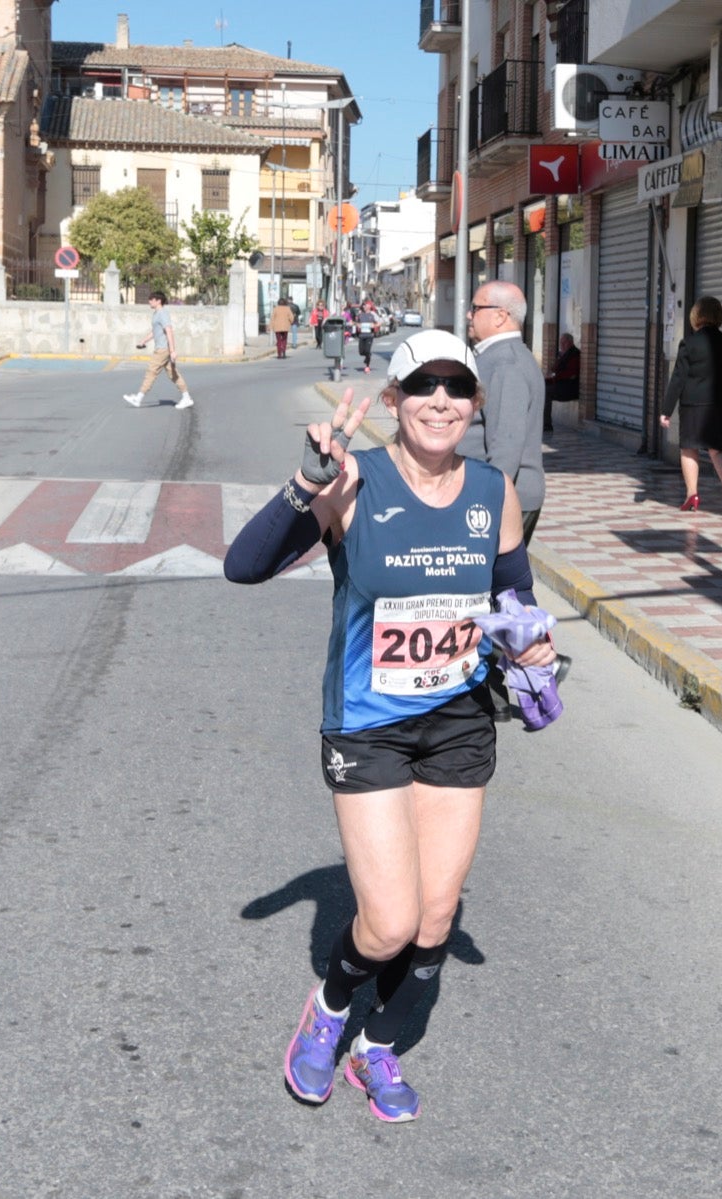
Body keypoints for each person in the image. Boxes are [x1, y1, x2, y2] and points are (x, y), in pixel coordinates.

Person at [223, 327, 555, 1123]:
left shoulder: (491, 494)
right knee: (391, 920)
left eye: (456, 387)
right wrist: (307, 481)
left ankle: (375, 1047)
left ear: (473, 405)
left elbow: (515, 597)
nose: (439, 401)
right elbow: (245, 565)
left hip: (459, 722)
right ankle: (331, 1005)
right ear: (396, 399)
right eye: (423, 386)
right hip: (369, 724)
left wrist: (531, 640)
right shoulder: (354, 482)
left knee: (436, 916)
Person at [462, 281, 546, 545]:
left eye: (475, 308)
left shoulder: (506, 363)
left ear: (500, 315)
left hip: (500, 501)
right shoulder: (497, 357)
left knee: (490, 583)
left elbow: (506, 447)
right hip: (494, 497)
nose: (468, 315)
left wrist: (486, 502)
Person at [659, 297, 722, 515]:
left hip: (693, 405)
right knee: (719, 449)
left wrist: (666, 411)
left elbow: (678, 378)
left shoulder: (689, 343)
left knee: (689, 448)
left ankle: (692, 495)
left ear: (695, 316)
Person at [122, 290, 193, 409]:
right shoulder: (156, 314)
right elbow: (155, 331)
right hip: (163, 349)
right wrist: (144, 341)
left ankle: (138, 398)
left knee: (151, 372)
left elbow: (169, 331)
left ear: (158, 301)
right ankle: (186, 398)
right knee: (173, 374)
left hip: (162, 349)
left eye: (151, 299)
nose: (149, 301)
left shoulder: (162, 313)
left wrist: (172, 350)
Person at [544, 332, 580, 434]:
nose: (562, 345)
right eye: (561, 343)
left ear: (571, 342)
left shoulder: (575, 355)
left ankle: (546, 425)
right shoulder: (563, 355)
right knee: (539, 388)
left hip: (570, 388)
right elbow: (554, 370)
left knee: (546, 392)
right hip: (561, 385)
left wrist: (553, 376)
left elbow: (570, 374)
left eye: (564, 343)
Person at [356, 301, 378, 374]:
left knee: (367, 351)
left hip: (369, 335)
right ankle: (367, 356)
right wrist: (357, 325)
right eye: (363, 306)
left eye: (365, 305)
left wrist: (374, 325)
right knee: (361, 352)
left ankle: (367, 366)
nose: (364, 307)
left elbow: (380, 322)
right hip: (362, 335)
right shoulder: (360, 315)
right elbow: (356, 322)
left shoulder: (372, 314)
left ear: (369, 306)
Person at [270, 295, 294, 359]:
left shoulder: (275, 309)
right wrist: (291, 322)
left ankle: (279, 354)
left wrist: (271, 327)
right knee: (284, 340)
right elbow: (291, 317)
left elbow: (272, 318)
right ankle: (284, 352)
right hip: (285, 327)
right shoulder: (287, 308)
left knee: (279, 341)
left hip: (277, 327)